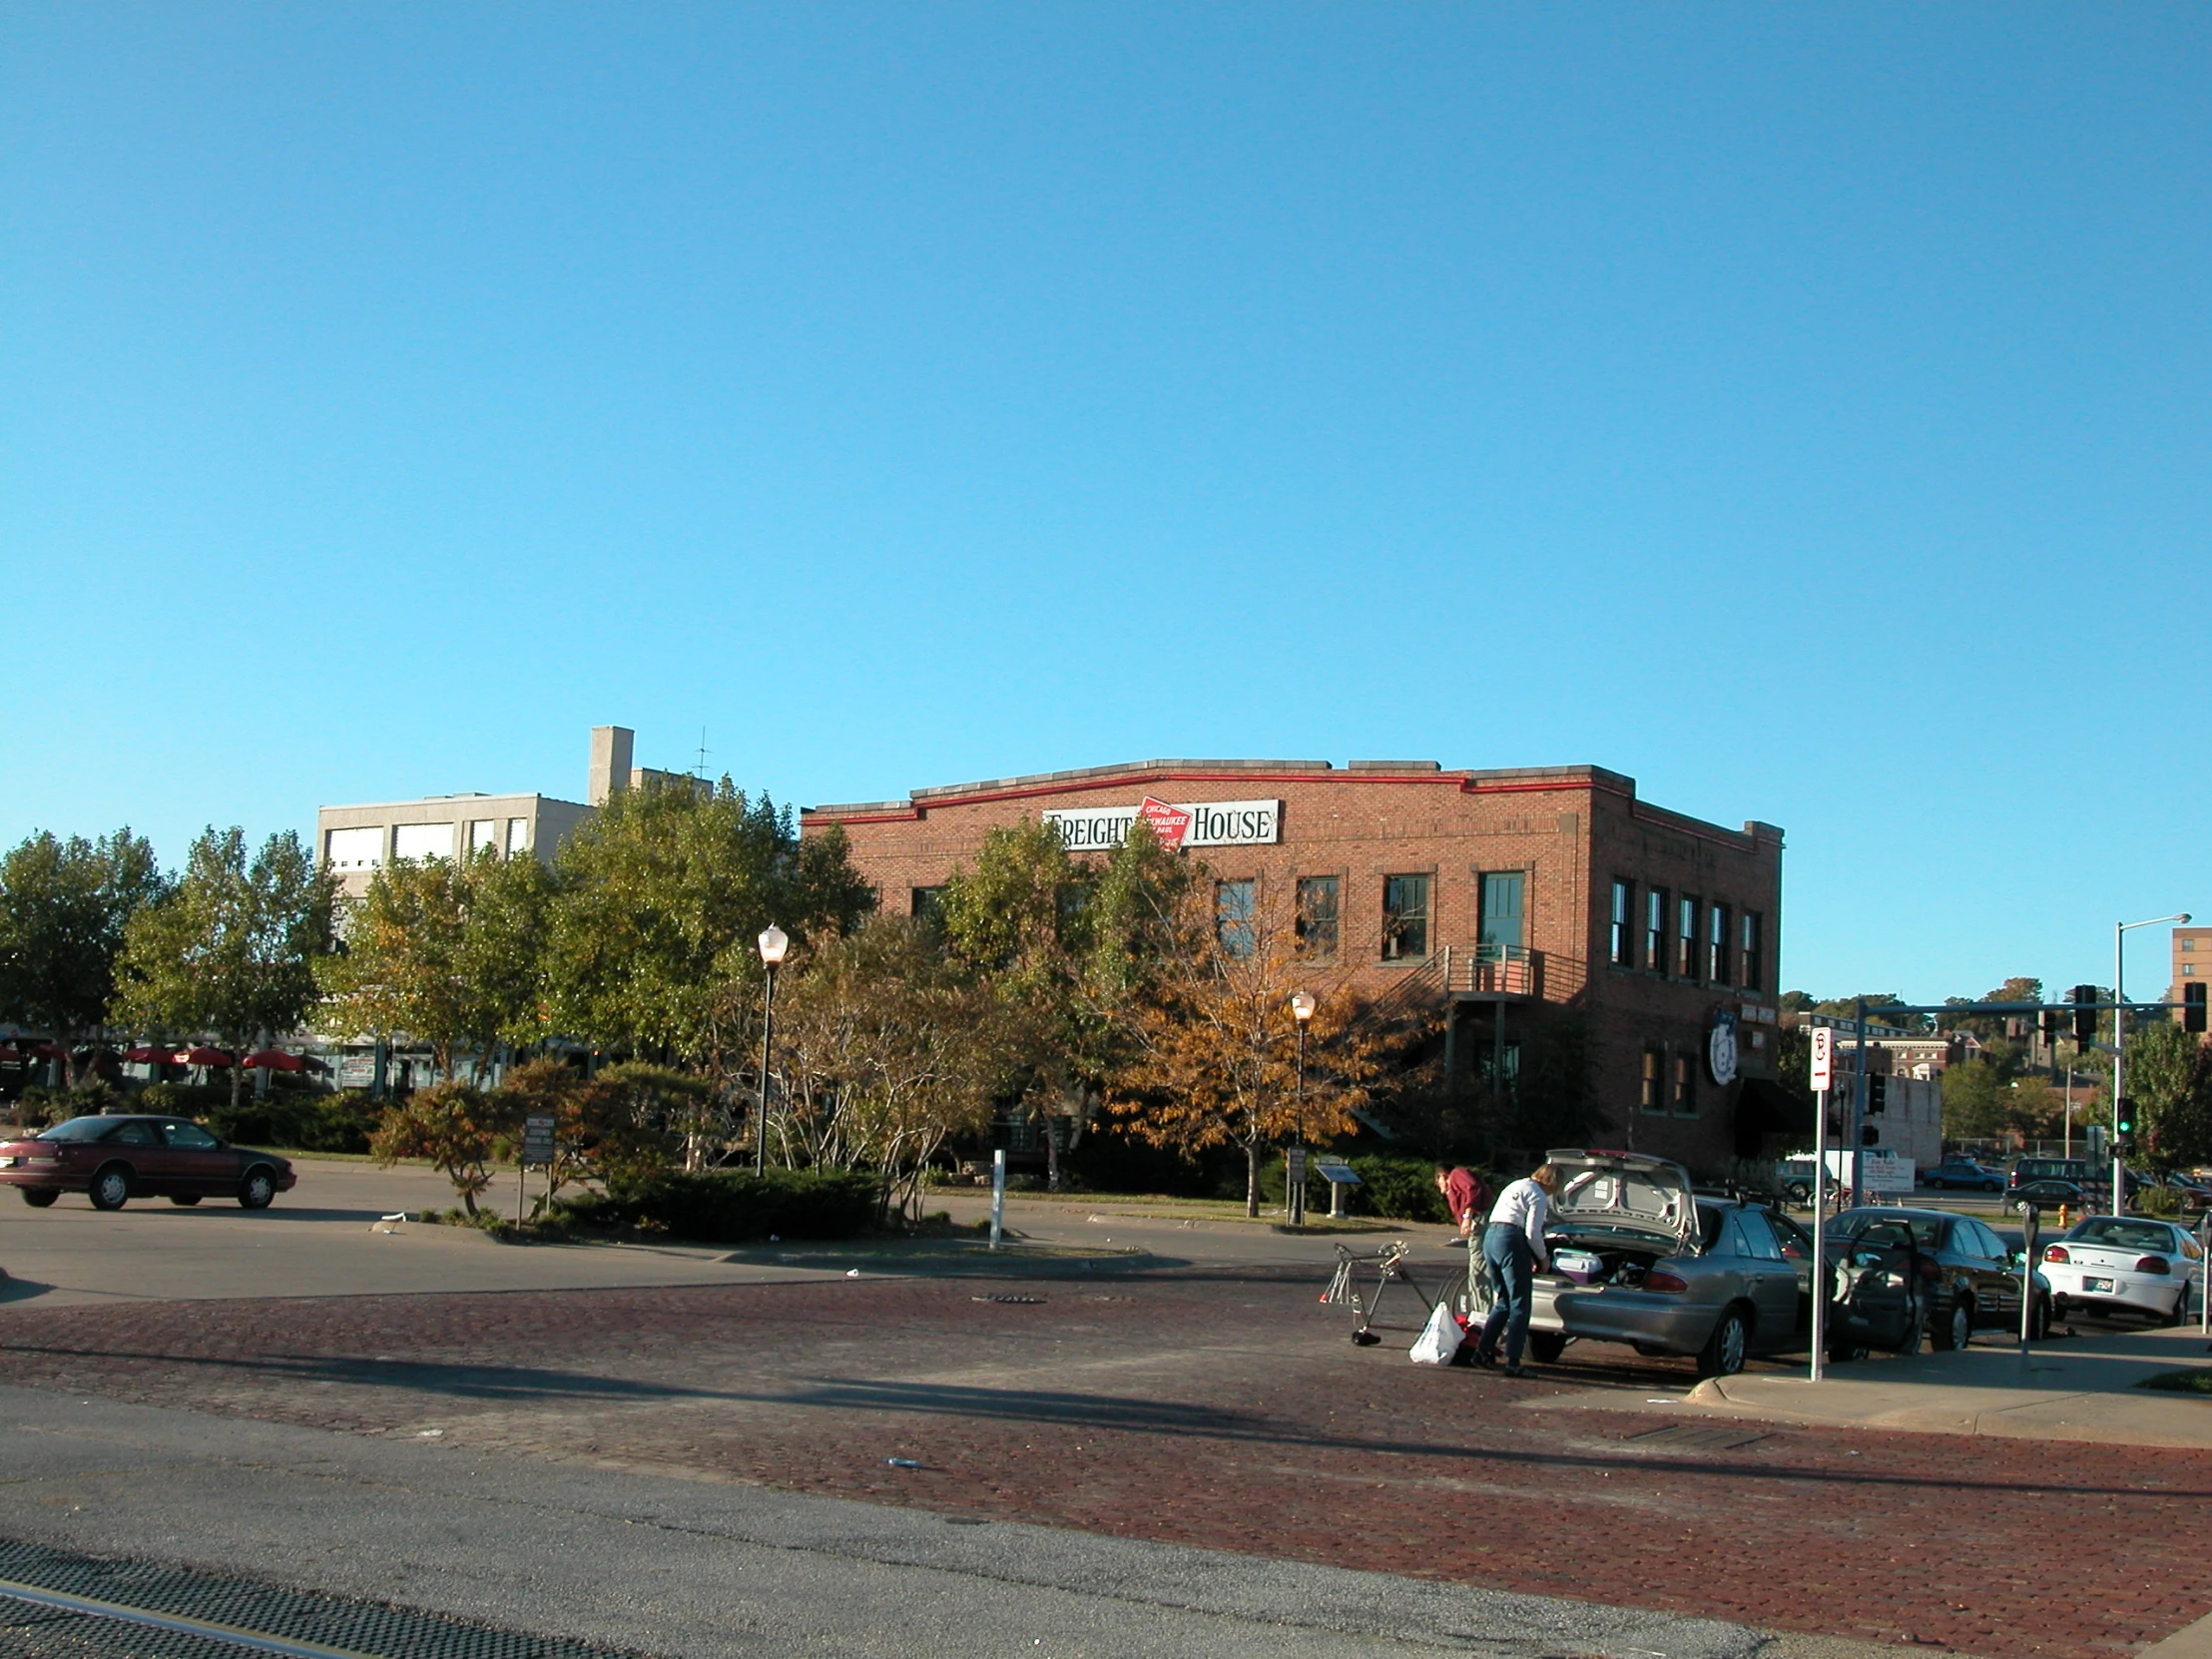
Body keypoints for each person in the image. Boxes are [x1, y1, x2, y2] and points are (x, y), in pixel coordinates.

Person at [1469, 1162, 1564, 1377]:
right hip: (1511, 1238)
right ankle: (1514, 1361)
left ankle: (1482, 1351)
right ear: (1553, 1183)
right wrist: (1543, 1259)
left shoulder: (1517, 1185)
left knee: (1502, 1300)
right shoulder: (1538, 1196)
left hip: (1491, 1237)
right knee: (1520, 1302)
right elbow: (1532, 1233)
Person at [1434, 1163, 1487, 1239]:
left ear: (1442, 1176)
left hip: (1479, 1215)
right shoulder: (1452, 1190)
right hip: (1476, 1217)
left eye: (1437, 1180)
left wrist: (1467, 1217)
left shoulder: (1456, 1174)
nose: (1438, 1184)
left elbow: (1472, 1190)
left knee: (1476, 1248)